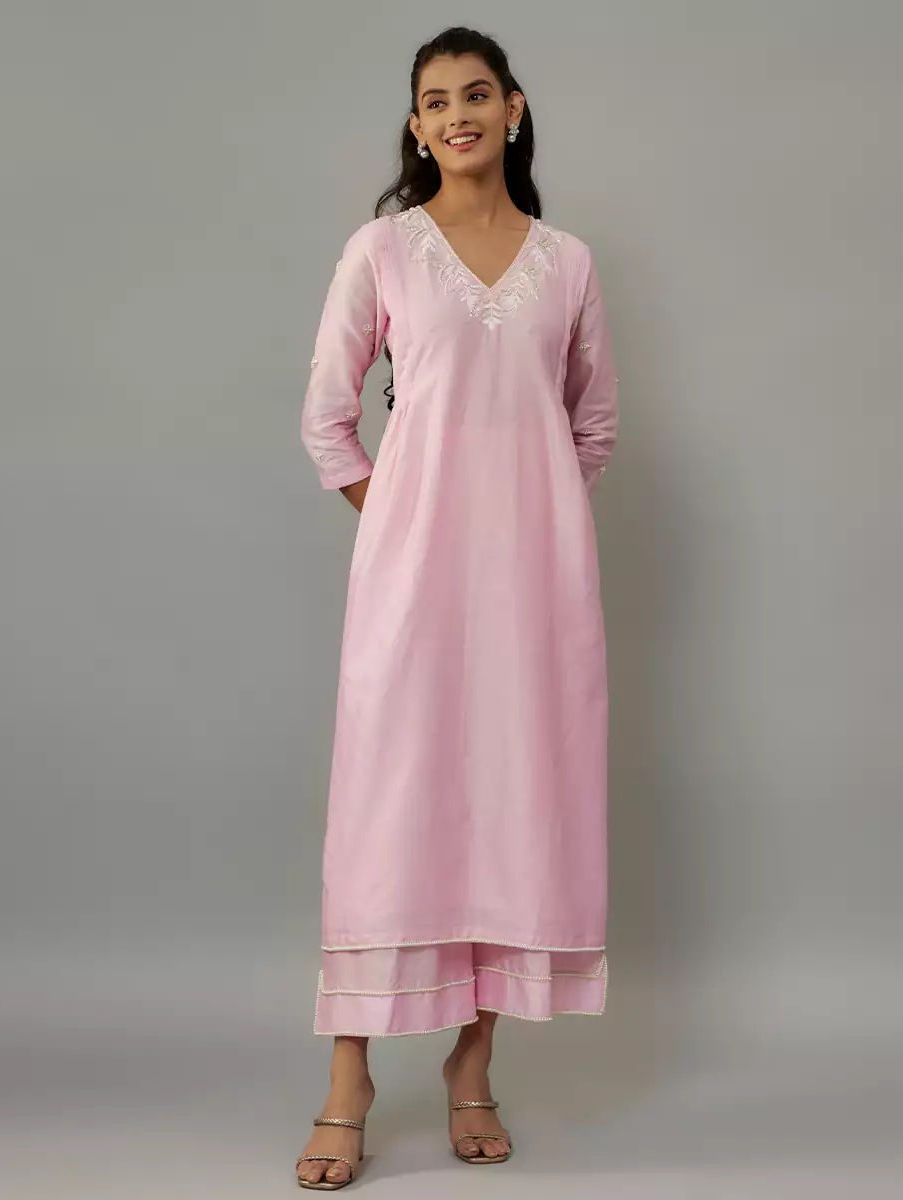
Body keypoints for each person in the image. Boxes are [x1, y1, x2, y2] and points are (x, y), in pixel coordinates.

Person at [296, 25, 618, 1190]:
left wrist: (529, 525)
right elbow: (326, 420)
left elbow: (592, 425)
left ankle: (471, 1065)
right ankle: (349, 1078)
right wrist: (402, 520)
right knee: (389, 810)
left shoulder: (567, 263)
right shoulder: (382, 250)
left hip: (534, 591)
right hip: (412, 586)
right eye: (434, 101)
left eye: (476, 94)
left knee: (512, 808)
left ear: (513, 109)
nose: (457, 115)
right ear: (417, 126)